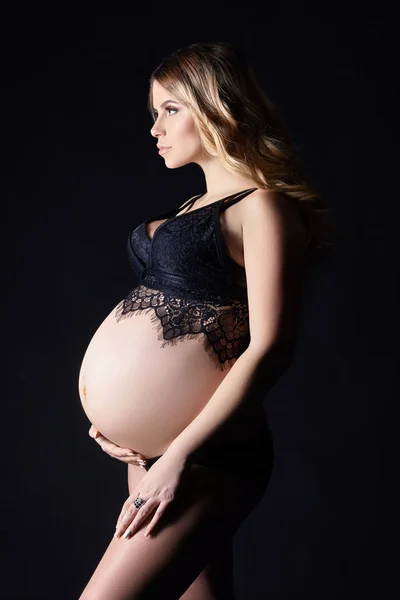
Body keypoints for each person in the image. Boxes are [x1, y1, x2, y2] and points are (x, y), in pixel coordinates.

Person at [79, 41, 333, 599]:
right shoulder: (192, 209)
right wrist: (119, 422)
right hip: (154, 456)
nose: (155, 128)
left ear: (217, 106)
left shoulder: (262, 206)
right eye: (154, 113)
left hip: (203, 458)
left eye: (171, 109)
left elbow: (270, 347)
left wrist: (177, 457)